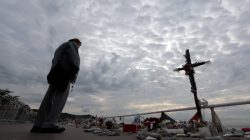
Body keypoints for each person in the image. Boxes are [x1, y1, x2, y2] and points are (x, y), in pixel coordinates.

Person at [30, 38, 81, 133]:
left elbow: (54, 60)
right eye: (79, 45)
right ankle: (50, 124)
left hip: (55, 73)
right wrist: (74, 76)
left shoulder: (62, 46)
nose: (79, 47)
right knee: (60, 100)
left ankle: (38, 124)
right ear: (76, 42)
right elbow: (75, 62)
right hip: (64, 74)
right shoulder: (72, 45)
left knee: (48, 98)